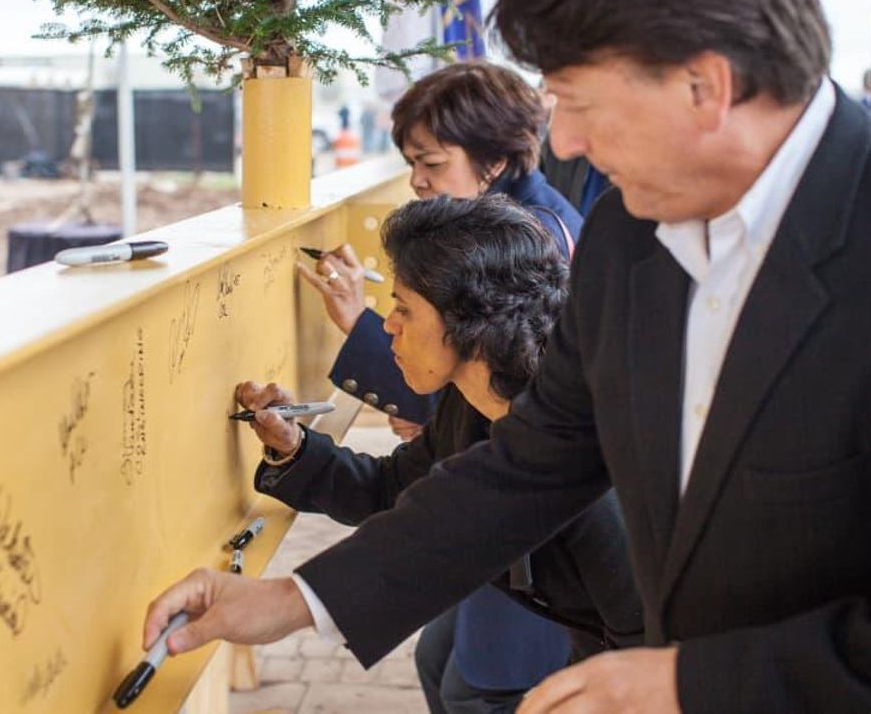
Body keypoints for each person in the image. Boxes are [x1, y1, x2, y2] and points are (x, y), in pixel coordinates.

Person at [143, 0, 871, 712]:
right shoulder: (630, 235)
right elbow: (527, 466)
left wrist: (686, 686)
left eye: (577, 105)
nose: (567, 144)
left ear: (706, 85)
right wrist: (294, 598)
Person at [234, 195, 641, 712]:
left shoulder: (593, 464)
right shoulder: (469, 406)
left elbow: (649, 638)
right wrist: (294, 448)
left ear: (469, 319)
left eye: (403, 307)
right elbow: (392, 491)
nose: (386, 324)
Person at [299, 62, 583, 434]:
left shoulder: (522, 243)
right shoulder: (537, 218)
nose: (418, 180)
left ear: (496, 160)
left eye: (432, 162)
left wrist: (355, 317)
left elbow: (475, 388)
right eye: (412, 163)